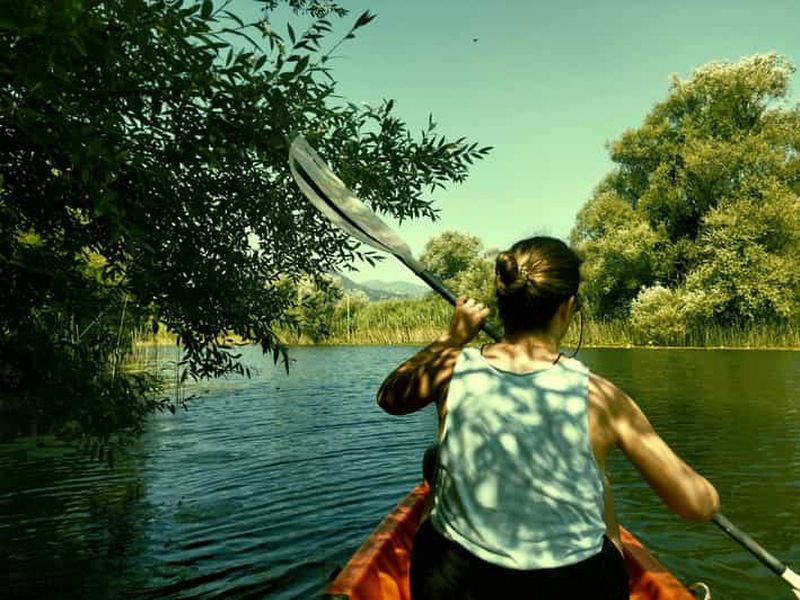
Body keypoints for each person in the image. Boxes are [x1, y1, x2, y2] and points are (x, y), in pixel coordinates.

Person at [376, 236, 720, 600]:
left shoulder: (450, 367)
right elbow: (697, 505)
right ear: (567, 308)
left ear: (503, 302)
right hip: (571, 588)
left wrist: (452, 337)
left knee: (435, 464)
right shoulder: (602, 397)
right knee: (598, 480)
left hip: (457, 582)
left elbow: (390, 397)